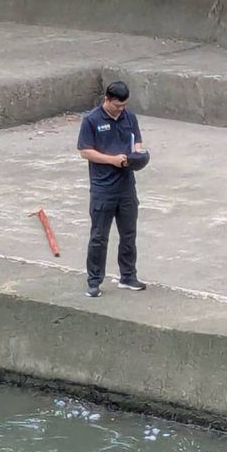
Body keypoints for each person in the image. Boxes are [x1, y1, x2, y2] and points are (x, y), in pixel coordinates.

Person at [77, 80, 147, 298]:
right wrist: (112, 160)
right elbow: (85, 151)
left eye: (124, 105)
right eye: (117, 105)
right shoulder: (91, 120)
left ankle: (128, 276)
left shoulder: (130, 117)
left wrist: (137, 156)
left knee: (128, 234)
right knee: (99, 236)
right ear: (106, 99)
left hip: (126, 186)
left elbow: (137, 143)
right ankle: (94, 281)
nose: (121, 109)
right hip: (103, 188)